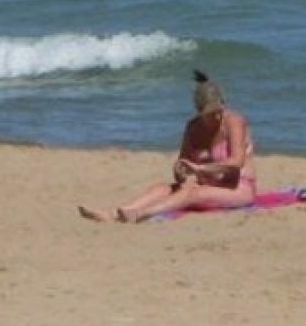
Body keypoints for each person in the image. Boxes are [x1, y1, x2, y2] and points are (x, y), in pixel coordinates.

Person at [80, 73, 257, 223]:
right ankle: (115, 213)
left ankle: (144, 214)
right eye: (210, 114)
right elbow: (182, 164)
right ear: (199, 111)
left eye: (219, 110)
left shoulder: (234, 122)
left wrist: (202, 168)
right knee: (163, 188)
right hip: (209, 184)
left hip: (238, 188)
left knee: (191, 192)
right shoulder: (193, 127)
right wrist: (182, 170)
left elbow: (237, 161)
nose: (216, 116)